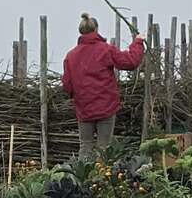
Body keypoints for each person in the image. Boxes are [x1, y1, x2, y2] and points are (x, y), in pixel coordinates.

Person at [62, 12, 146, 159]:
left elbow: (67, 85)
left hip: (84, 109)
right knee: (104, 148)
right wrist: (138, 42)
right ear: (96, 30)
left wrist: (79, 97)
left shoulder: (71, 56)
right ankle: (101, 179)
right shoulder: (105, 49)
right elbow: (130, 62)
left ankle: (82, 178)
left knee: (85, 146)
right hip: (106, 107)